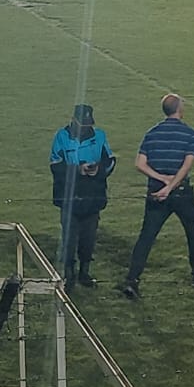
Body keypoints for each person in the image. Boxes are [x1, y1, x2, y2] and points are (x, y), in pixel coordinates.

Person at [121, 94, 194, 298]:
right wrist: (170, 186)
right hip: (180, 192)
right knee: (192, 233)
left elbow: (140, 164)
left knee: (146, 236)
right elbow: (186, 167)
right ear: (179, 109)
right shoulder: (189, 134)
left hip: (156, 191)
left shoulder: (152, 133)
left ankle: (132, 279)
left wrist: (161, 179)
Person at [50, 104, 116, 292]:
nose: (86, 128)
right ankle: (69, 273)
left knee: (88, 238)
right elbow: (55, 165)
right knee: (69, 239)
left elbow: (110, 162)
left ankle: (84, 272)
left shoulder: (100, 136)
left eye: (88, 124)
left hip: (92, 198)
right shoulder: (62, 137)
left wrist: (98, 169)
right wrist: (78, 170)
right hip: (69, 199)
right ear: (74, 120)